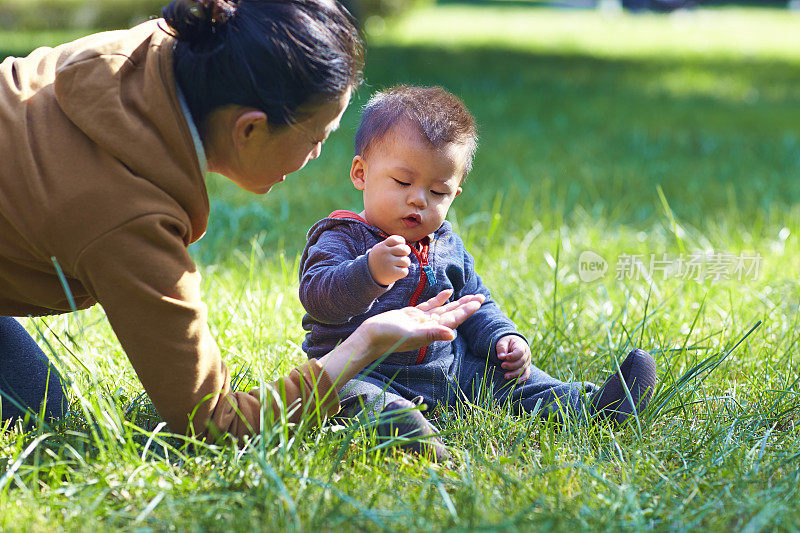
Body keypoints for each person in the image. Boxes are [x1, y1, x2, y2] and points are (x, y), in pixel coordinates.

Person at [0, 0, 485, 440]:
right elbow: (215, 424)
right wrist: (363, 343)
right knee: (42, 419)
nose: (318, 154)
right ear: (250, 128)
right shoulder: (125, 215)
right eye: (316, 135)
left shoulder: (175, 48)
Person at [299, 86, 657, 458]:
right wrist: (367, 272)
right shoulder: (342, 236)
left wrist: (505, 337)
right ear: (361, 173)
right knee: (348, 394)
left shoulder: (446, 244)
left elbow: (476, 302)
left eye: (438, 191)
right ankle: (402, 429)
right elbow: (318, 298)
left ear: (454, 195)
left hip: (451, 371)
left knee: (515, 380)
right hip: (366, 369)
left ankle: (593, 407)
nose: (419, 199)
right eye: (403, 182)